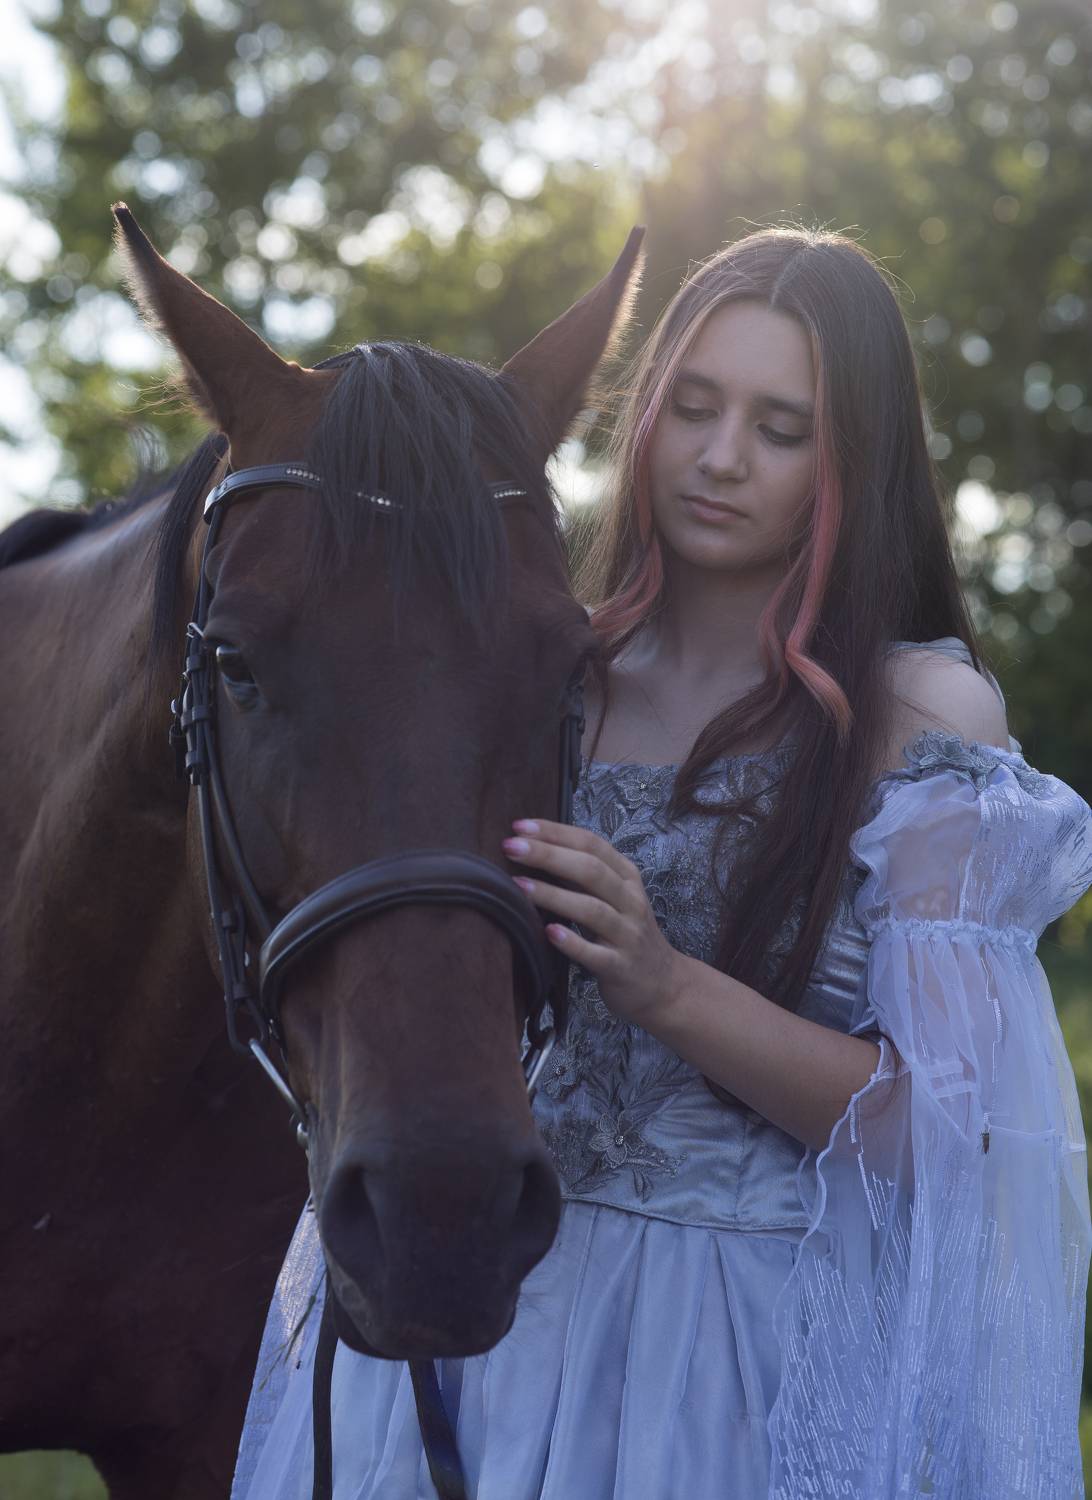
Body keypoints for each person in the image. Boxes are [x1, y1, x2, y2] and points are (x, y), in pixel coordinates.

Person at [231, 227, 1092, 1498]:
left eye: (781, 428)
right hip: (486, 1314)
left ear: (851, 461)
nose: (721, 457)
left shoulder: (916, 716)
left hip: (729, 1360)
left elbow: (944, 1134)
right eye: (693, 406)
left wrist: (666, 983)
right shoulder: (542, 683)